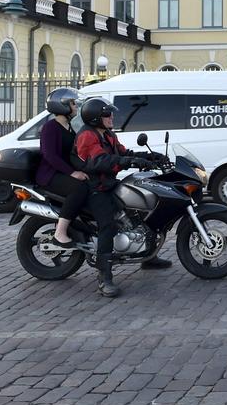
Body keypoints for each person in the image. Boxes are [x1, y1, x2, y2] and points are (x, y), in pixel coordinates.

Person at [73, 97, 171, 297]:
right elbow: (100, 161)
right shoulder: (87, 136)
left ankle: (147, 256)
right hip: (95, 188)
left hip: (108, 184)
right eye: (107, 114)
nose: (111, 117)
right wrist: (130, 161)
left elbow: (123, 152)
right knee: (107, 225)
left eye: (111, 114)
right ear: (95, 118)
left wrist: (151, 157)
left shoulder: (107, 134)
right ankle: (104, 277)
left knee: (140, 211)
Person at [34, 88, 89, 248]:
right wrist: (73, 173)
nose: (76, 106)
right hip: (50, 174)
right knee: (79, 188)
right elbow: (49, 156)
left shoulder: (71, 127)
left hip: (62, 172)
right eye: (73, 103)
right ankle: (60, 232)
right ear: (62, 105)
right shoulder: (50, 127)